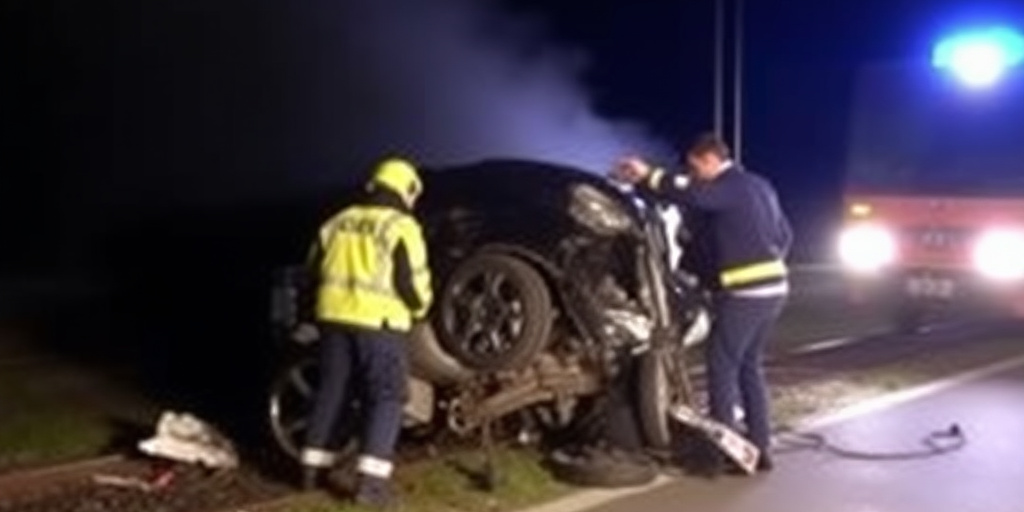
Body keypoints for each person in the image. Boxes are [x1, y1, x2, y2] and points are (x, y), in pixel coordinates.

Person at [611, 133, 792, 476]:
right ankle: (760, 447)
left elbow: (694, 194)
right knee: (749, 367)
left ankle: (725, 453)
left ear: (710, 159)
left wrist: (648, 174)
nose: (694, 175)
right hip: (775, 291)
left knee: (722, 367)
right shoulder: (759, 185)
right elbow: (786, 235)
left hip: (746, 295)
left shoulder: (729, 185)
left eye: (696, 168)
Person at [299, 157, 433, 508]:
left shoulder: (336, 221)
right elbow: (411, 286)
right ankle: (371, 487)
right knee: (386, 396)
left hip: (332, 320)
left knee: (332, 389)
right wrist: (420, 310)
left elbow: (309, 274)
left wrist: (315, 312)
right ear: (407, 189)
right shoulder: (401, 227)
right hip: (379, 325)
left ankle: (311, 471)